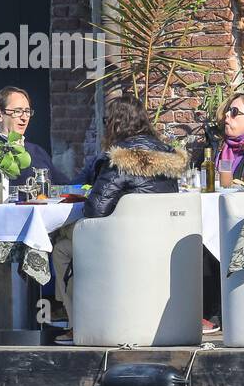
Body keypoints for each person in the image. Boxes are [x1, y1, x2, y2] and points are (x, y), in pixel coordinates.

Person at [50, 95, 188, 344]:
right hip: (161, 243)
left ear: (114, 124)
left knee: (60, 248)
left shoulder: (119, 162)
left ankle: (78, 324)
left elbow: (95, 210)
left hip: (121, 245)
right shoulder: (169, 161)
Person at [0, 86, 60, 188]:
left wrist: (90, 169)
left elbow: (65, 186)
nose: (24, 118)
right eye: (17, 111)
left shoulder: (37, 152)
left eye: (27, 111)